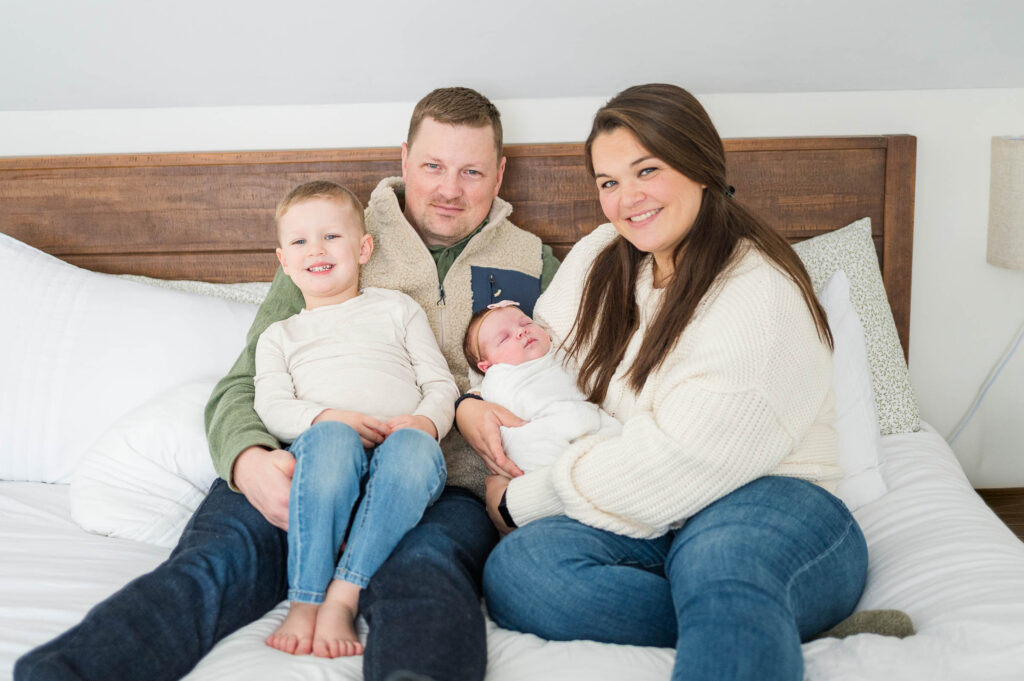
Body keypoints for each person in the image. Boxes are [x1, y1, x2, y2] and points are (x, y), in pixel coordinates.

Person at [15, 86, 559, 681]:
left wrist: (475, 410)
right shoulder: (329, 235)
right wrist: (246, 458)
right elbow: (245, 380)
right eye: (433, 166)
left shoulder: (535, 265)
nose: (449, 189)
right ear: (404, 160)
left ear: (501, 173)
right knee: (214, 565)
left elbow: (584, 374)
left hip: (441, 481)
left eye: (472, 171)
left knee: (427, 577)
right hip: (306, 459)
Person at [476, 84, 869, 681]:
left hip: (768, 502)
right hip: (655, 516)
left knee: (719, 560)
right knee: (521, 573)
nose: (627, 199)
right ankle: (752, 613)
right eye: (609, 182)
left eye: (647, 171)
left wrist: (520, 500)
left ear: (700, 165)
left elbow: (678, 461)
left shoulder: (757, 295)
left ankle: (740, 600)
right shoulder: (605, 253)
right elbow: (536, 355)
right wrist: (469, 405)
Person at [254, 181, 457, 658]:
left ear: (364, 248)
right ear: (283, 261)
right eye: (300, 241)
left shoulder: (397, 309)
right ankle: (305, 598)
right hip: (326, 450)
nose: (316, 250)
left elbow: (441, 384)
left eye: (331, 237)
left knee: (412, 451)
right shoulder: (279, 336)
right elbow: (272, 405)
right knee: (331, 440)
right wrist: (329, 416)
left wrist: (425, 423)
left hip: (401, 445)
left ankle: (343, 595)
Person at [462, 301, 620, 473]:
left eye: (526, 323)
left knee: (615, 437)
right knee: (524, 446)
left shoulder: (562, 352)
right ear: (486, 367)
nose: (521, 331)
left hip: (590, 423)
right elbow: (478, 400)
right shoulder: (496, 378)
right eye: (504, 338)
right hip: (539, 435)